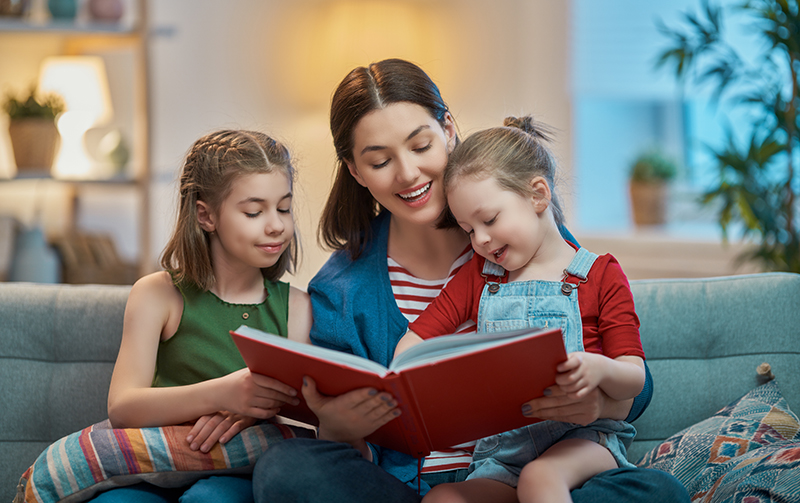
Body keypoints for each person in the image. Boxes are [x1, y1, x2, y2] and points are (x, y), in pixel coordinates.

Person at [252, 59, 688, 503]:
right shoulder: (342, 290)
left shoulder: (517, 231)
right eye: (380, 161)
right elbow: (342, 451)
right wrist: (339, 427)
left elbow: (635, 378)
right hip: (415, 491)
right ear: (356, 171)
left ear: (449, 130)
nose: (407, 174)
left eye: (420, 145)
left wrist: (597, 405)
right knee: (286, 469)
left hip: (542, 477)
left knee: (658, 491)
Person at [394, 116, 645, 503]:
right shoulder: (480, 277)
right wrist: (410, 378)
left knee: (540, 479)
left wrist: (597, 368)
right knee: (442, 498)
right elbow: (416, 340)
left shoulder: (600, 274)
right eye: (468, 229)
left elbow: (635, 377)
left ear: (538, 195)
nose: (480, 239)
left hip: (582, 441)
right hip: (503, 456)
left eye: (490, 219)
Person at [89, 130, 313, 503]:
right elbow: (123, 407)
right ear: (205, 215)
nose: (276, 224)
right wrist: (224, 394)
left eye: (284, 208)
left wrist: (248, 410)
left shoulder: (296, 308)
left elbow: (301, 415)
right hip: (151, 469)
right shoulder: (158, 294)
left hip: (238, 471)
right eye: (254, 212)